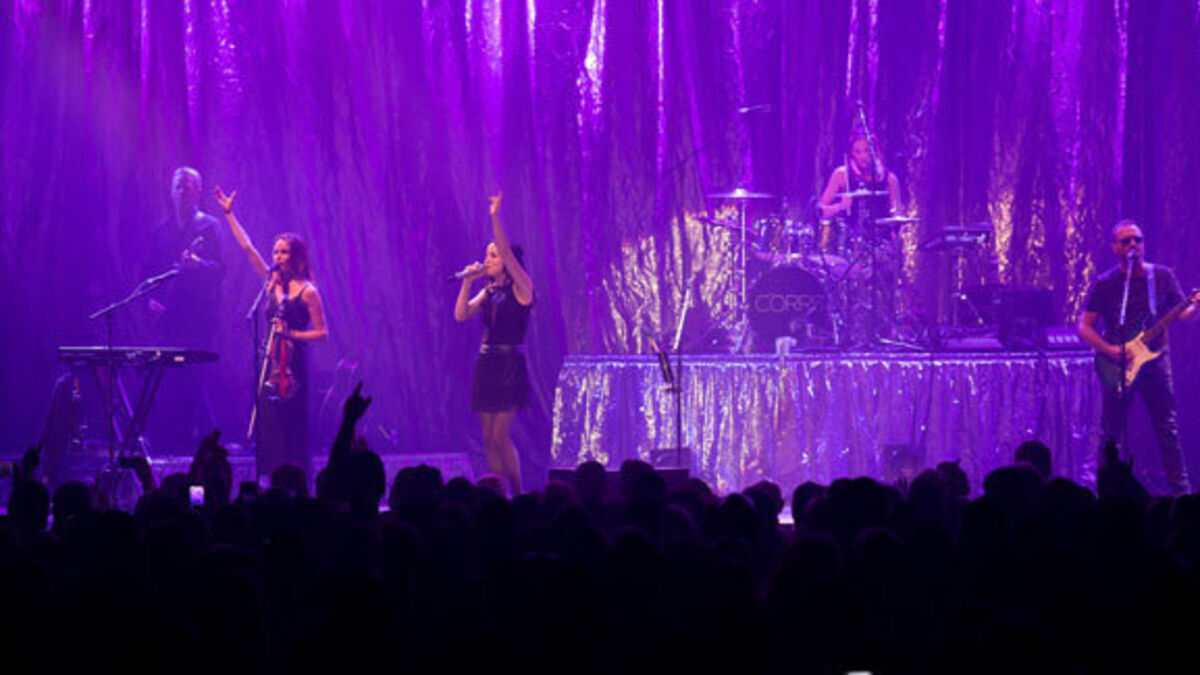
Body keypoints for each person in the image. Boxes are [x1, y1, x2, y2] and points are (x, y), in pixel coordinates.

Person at [213, 186, 328, 483]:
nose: (277, 256)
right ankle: (270, 483)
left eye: (284, 251)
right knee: (270, 428)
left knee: (290, 427)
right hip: (270, 365)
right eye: (275, 251)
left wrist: (292, 334)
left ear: (296, 256)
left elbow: (322, 333)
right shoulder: (270, 282)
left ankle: (296, 484)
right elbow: (248, 248)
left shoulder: (308, 291)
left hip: (293, 367)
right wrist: (229, 214)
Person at [1078, 220, 1198, 495]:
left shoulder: (1162, 277)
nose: (1133, 245)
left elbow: (1186, 317)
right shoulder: (1106, 283)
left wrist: (1196, 308)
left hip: (1156, 361)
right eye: (1126, 241)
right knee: (1112, 431)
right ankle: (1107, 492)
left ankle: (1182, 494)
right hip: (1117, 362)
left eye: (1138, 240)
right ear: (1114, 247)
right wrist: (1109, 350)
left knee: (1167, 426)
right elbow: (1084, 327)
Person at [454, 192, 532, 496]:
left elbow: (508, 254)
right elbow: (461, 314)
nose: (487, 260)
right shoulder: (488, 291)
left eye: (493, 255)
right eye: (487, 255)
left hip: (508, 364)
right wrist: (467, 282)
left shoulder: (523, 288)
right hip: (486, 363)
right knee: (487, 437)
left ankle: (519, 493)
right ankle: (499, 496)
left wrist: (495, 216)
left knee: (500, 436)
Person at [144, 166, 225, 452]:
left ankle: (205, 439)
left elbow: (220, 269)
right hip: (168, 317)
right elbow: (149, 272)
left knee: (195, 377)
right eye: (178, 186)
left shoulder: (209, 226)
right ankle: (171, 441)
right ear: (171, 191)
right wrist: (151, 300)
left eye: (189, 186)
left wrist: (198, 265)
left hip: (199, 317)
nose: (183, 191)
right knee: (169, 379)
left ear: (198, 192)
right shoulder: (161, 231)